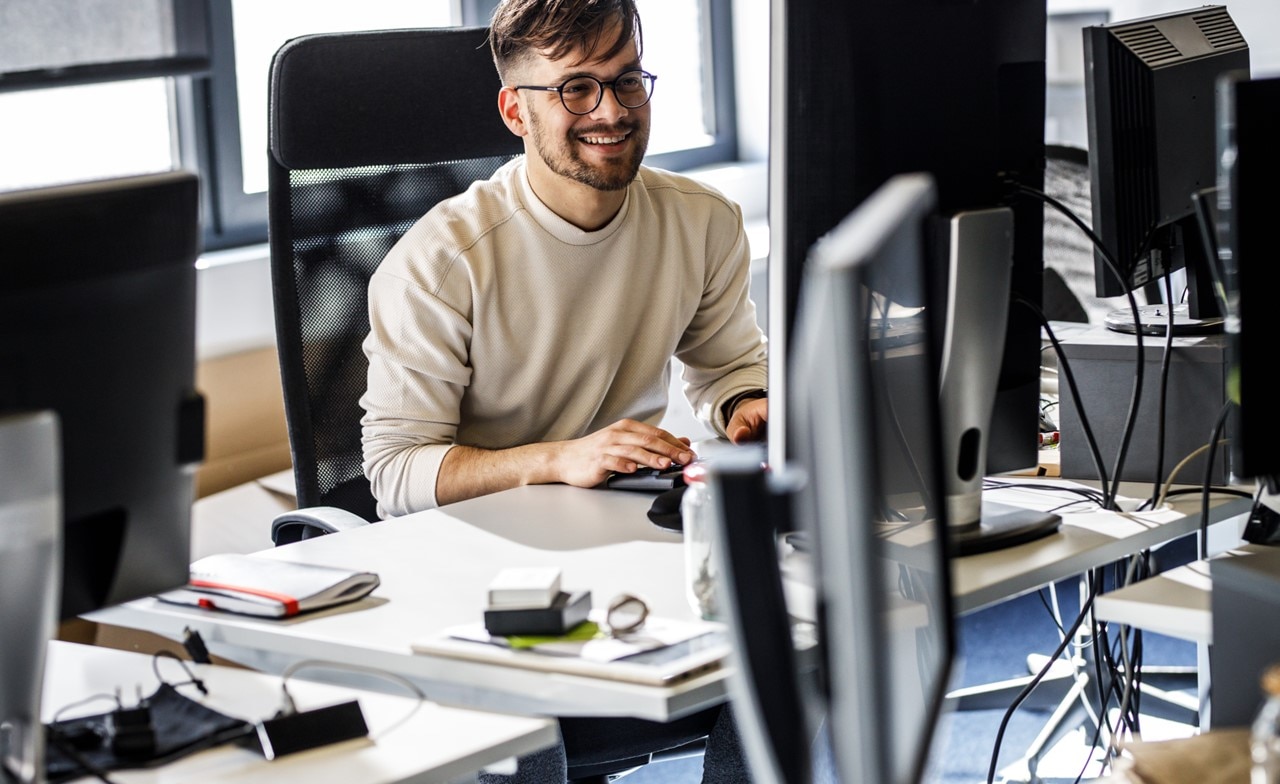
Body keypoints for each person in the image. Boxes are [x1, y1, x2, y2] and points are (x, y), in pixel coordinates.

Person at [359, 0, 766, 780]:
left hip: (622, 553)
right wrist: (554, 459)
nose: (611, 111)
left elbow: (728, 366)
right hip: (475, 578)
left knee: (803, 638)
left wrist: (749, 407)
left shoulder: (703, 222)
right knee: (530, 715)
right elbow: (396, 472)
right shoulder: (443, 263)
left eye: (626, 81)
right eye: (575, 88)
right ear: (516, 109)